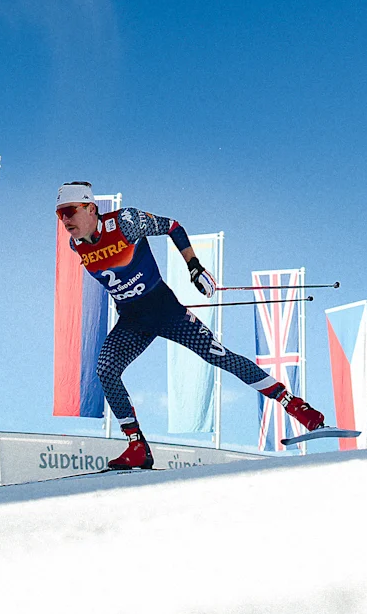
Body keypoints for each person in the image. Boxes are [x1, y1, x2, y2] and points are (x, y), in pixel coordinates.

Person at [56, 181, 327, 469]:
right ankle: (137, 445)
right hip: (132, 320)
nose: (66, 220)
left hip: (165, 310)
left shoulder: (125, 222)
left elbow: (173, 227)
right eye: (60, 215)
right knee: (106, 370)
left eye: (70, 211)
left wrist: (194, 266)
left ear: (91, 208)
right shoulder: (76, 245)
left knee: (217, 355)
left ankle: (293, 404)